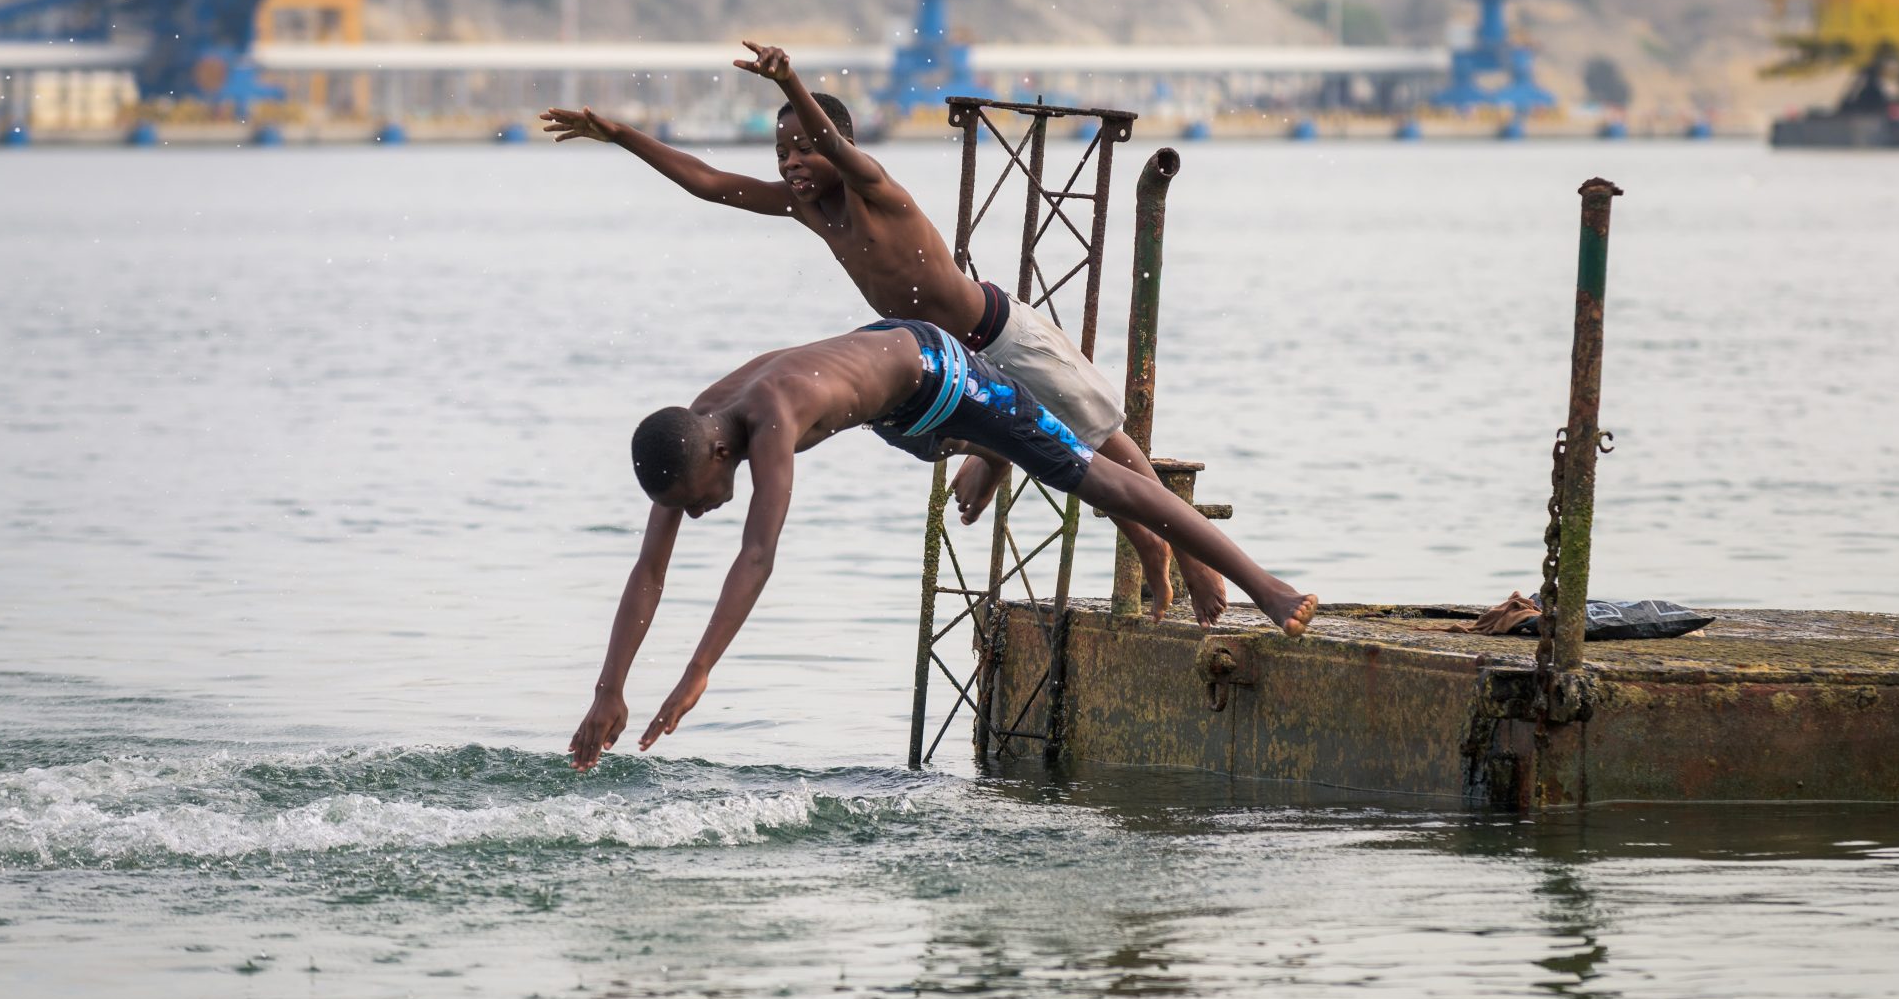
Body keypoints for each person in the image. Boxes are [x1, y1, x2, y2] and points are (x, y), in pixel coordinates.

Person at [539, 44, 1229, 624]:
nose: (792, 163)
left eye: (803, 150)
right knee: (1026, 445)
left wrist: (790, 82)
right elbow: (711, 182)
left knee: (1104, 442)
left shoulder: (874, 188)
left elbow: (836, 145)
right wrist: (622, 135)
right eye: (781, 153)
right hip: (945, 366)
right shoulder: (806, 209)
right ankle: (1092, 512)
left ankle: (1189, 559)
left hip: (998, 336)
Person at [565, 322, 1317, 769]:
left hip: (940, 373)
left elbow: (756, 557)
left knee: (1095, 478)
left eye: (693, 501)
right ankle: (994, 451)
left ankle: (1263, 584)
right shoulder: (690, 429)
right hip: (886, 393)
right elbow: (649, 568)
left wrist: (698, 670)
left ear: (717, 457)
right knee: (957, 445)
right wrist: (609, 689)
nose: (694, 514)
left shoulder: (771, 421)